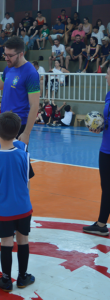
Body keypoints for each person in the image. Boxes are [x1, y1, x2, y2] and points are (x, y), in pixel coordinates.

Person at [0, 112, 35, 292]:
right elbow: (26, 182)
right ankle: (22, 277)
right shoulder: (24, 155)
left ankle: (6, 279)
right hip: (23, 207)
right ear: (17, 133)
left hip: (4, 210)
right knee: (23, 239)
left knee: (6, 242)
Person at [83, 66, 110, 236]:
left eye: (108, 74)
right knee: (106, 187)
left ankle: (101, 224)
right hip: (106, 149)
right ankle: (101, 224)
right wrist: (100, 126)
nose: (106, 77)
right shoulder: (109, 94)